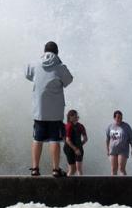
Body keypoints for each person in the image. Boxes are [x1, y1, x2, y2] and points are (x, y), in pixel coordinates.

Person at [25, 41, 74, 177]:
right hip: (55, 113)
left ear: (44, 51)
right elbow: (69, 80)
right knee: (54, 140)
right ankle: (55, 169)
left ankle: (35, 169)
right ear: (57, 52)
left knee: (37, 139)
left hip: (39, 111)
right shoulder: (60, 67)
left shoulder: (35, 64)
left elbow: (27, 74)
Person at [105, 110, 132, 175]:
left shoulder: (126, 126)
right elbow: (107, 139)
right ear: (114, 118)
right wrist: (107, 150)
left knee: (121, 168)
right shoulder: (110, 127)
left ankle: (124, 184)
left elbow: (131, 139)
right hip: (113, 150)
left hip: (123, 150)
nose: (119, 119)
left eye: (121, 117)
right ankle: (113, 184)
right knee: (113, 169)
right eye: (118, 117)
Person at [63, 109, 88, 176]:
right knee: (73, 169)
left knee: (78, 169)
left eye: (76, 115)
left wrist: (79, 146)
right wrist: (76, 148)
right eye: (75, 116)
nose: (76, 117)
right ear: (70, 117)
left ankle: (80, 183)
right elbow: (67, 140)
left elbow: (85, 139)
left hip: (76, 148)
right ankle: (68, 183)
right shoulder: (69, 126)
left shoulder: (80, 126)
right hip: (69, 148)